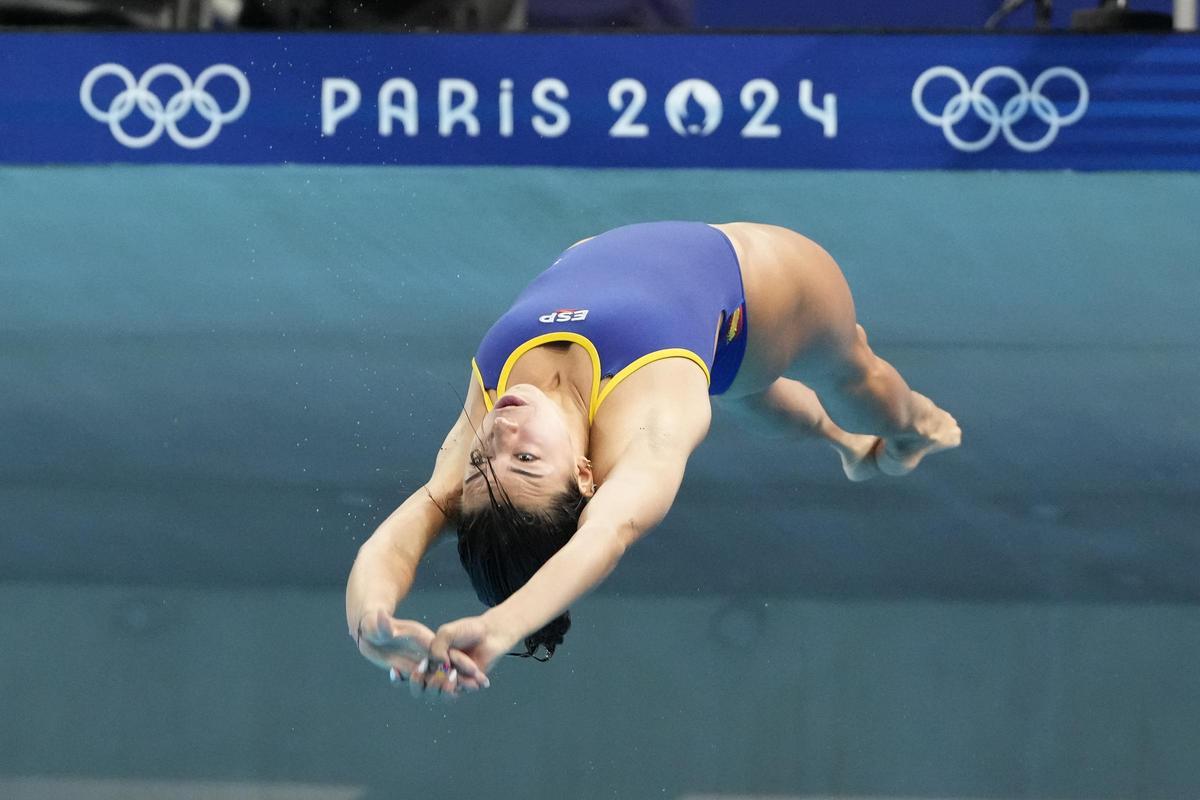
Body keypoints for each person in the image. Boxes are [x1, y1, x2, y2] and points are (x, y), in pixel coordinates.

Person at [345, 221, 961, 700]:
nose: (501, 429)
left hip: (696, 324)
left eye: (484, 461)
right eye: (526, 457)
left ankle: (842, 445)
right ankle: (911, 433)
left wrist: (372, 625)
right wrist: (504, 627)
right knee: (855, 369)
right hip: (759, 293)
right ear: (586, 476)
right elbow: (605, 537)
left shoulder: (484, 434)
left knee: (745, 393)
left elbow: (397, 542)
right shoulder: (650, 427)